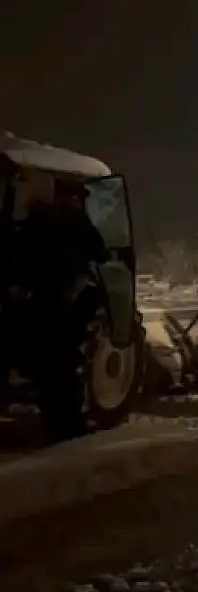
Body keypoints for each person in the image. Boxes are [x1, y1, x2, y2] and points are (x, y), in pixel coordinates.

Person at [6, 175, 108, 443]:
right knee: (62, 367)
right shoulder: (74, 223)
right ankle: (67, 423)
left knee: (46, 365)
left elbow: (16, 263)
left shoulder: (25, 226)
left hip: (31, 303)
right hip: (59, 304)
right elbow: (100, 251)